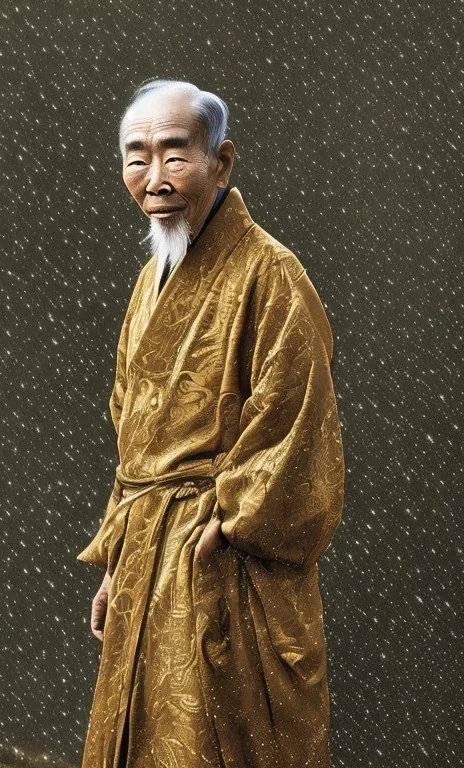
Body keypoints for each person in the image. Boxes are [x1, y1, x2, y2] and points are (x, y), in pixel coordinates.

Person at [76, 78, 345, 768]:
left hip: (216, 556)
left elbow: (298, 419)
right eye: (137, 157)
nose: (154, 176)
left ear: (220, 162)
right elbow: (134, 433)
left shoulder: (271, 274)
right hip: (147, 550)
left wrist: (230, 519)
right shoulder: (150, 281)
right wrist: (118, 550)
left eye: (174, 153)